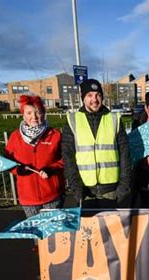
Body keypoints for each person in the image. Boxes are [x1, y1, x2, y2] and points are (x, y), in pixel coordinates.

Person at [61, 79, 131, 208]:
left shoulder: (114, 119)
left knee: (112, 228)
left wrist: (123, 186)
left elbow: (125, 155)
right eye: (90, 95)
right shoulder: (72, 120)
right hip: (85, 190)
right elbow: (67, 156)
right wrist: (76, 187)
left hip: (111, 190)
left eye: (98, 95)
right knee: (89, 228)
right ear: (83, 98)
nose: (95, 99)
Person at [5, 95, 65, 218]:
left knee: (53, 234)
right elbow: (7, 161)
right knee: (36, 234)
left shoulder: (55, 135)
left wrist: (52, 169)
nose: (34, 117)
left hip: (52, 194)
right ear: (23, 115)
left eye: (38, 112)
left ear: (44, 113)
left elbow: (65, 159)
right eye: (29, 113)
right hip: (28, 197)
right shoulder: (15, 137)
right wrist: (18, 170)